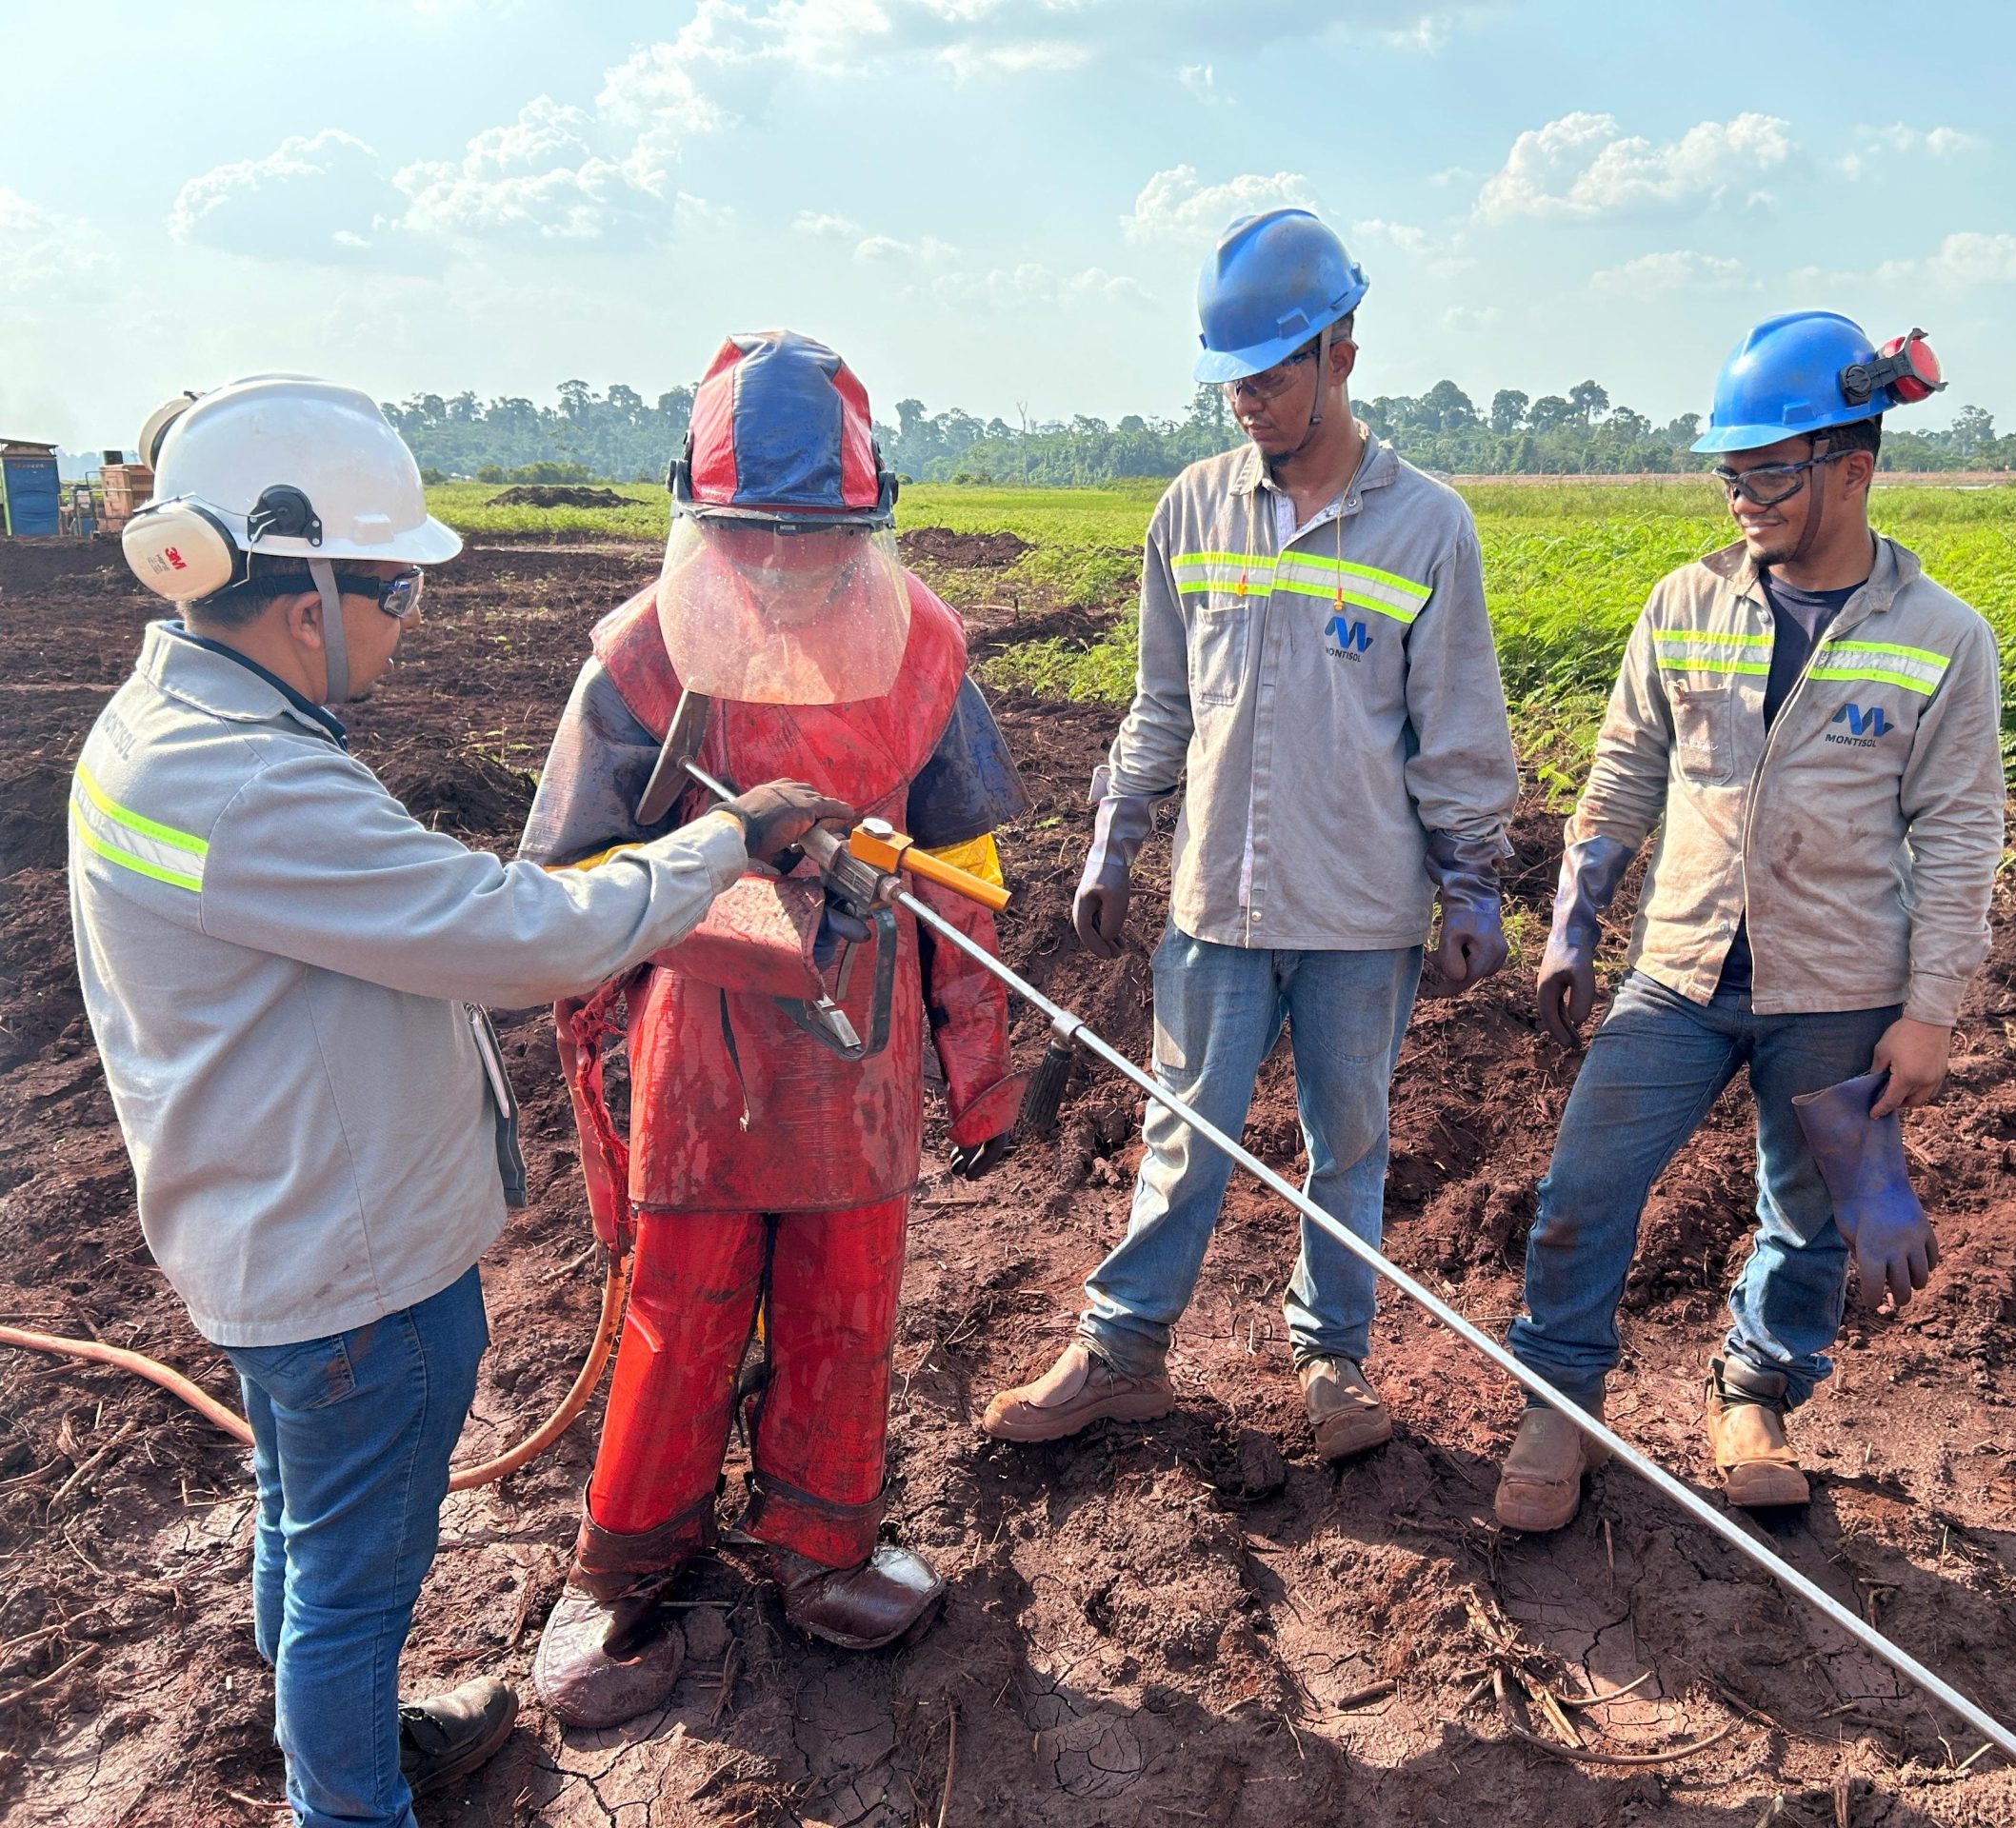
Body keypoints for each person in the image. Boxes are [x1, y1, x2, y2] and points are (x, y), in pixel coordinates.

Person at [69, 377, 841, 1828]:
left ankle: (347, 1742)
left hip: (263, 1230)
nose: (407, 624)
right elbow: (521, 936)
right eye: (400, 595)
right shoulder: (244, 786)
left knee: (308, 1538)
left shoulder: (161, 726)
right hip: (351, 1276)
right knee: (353, 1580)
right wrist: (724, 838)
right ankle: (352, 1801)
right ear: (308, 599)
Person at [516, 330, 1029, 1728]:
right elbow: (562, 889)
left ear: (869, 521)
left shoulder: (924, 651)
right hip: (699, 1060)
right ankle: (622, 1568)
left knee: (848, 1306)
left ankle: (819, 1545)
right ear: (703, 515)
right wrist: (731, 898)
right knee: (679, 1314)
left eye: (820, 539)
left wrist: (976, 1084)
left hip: (861, 1063)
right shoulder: (638, 658)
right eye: (756, 536)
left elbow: (965, 873)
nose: (789, 564)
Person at [980, 209, 1520, 1461]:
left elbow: (1457, 727)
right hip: (1215, 902)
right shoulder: (1193, 512)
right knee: (1184, 1136)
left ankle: (1332, 1366)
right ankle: (1121, 1351)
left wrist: (1474, 883)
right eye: (1230, 382)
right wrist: (1118, 831)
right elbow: (1162, 699)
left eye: (1269, 376)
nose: (1246, 404)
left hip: (1360, 911)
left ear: (1341, 349)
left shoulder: (1426, 526)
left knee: (1349, 1149)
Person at [1493, 312, 2006, 1532]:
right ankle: (1558, 1398)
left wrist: (1928, 1015)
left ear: (1852, 469)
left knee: (1810, 1215)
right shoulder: (1683, 602)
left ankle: (1756, 1393)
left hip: (1838, 985)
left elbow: (1958, 840)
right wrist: (1574, 920)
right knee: (1581, 1190)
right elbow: (1621, 774)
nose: (1742, 499)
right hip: (1676, 967)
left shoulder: (1941, 638)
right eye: (1730, 473)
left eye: (1769, 471)